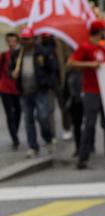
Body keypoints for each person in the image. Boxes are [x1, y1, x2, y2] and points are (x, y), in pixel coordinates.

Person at [68, 20, 105, 170]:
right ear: (100, 32)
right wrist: (90, 65)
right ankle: (83, 157)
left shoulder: (103, 48)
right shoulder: (85, 47)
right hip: (91, 91)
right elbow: (70, 63)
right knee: (89, 124)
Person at [10, 28, 55, 158]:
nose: (25, 42)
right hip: (25, 91)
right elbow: (10, 69)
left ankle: (48, 138)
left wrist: (48, 84)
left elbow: (52, 70)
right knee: (28, 119)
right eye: (23, 39)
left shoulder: (42, 53)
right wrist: (13, 73)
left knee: (43, 117)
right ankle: (33, 146)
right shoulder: (17, 54)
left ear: (33, 39)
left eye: (27, 39)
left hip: (40, 90)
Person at [0, 32, 21, 150]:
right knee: (10, 114)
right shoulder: (3, 56)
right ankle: (15, 138)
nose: (12, 44)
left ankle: (15, 132)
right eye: (10, 41)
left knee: (18, 112)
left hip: (17, 89)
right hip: (5, 88)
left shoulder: (20, 56)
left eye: (14, 41)